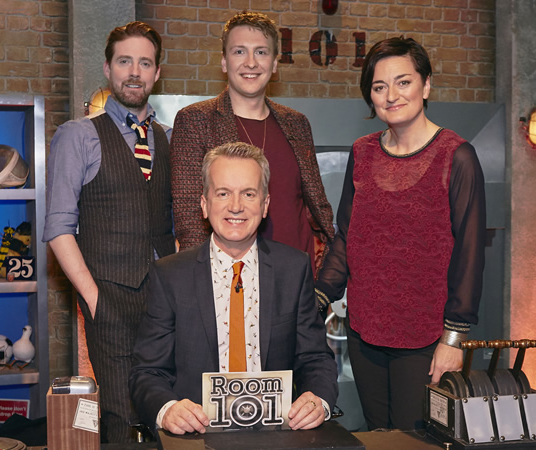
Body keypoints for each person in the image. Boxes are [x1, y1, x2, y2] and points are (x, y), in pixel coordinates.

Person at [315, 37, 486, 431]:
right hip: (364, 331)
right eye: (379, 87)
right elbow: (347, 236)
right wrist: (320, 295)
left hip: (425, 338)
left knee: (416, 438)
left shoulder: (456, 156)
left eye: (403, 82)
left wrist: (454, 339)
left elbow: (470, 254)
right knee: (378, 434)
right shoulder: (363, 151)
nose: (391, 95)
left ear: (426, 86)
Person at [130, 142, 338, 435]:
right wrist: (167, 409)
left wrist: (318, 400)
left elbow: (316, 358)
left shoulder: (294, 269)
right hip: (197, 437)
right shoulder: (169, 275)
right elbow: (147, 372)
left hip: (275, 435)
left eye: (249, 194)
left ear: (265, 205)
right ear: (204, 204)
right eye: (223, 193)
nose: (236, 206)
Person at [42, 21, 175, 443]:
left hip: (165, 299)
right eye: (124, 61)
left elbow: (176, 223)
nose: (134, 71)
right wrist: (93, 299)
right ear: (107, 68)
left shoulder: (169, 138)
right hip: (109, 299)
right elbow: (59, 228)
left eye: (144, 62)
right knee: (121, 415)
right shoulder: (77, 136)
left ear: (156, 73)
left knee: (166, 411)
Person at [170, 11, 334, 283]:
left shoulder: (297, 123)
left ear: (274, 63)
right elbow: (189, 217)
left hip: (298, 277)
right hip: (231, 279)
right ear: (224, 61)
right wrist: (203, 286)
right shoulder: (195, 120)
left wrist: (326, 276)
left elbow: (317, 205)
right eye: (239, 52)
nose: (250, 63)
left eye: (261, 52)